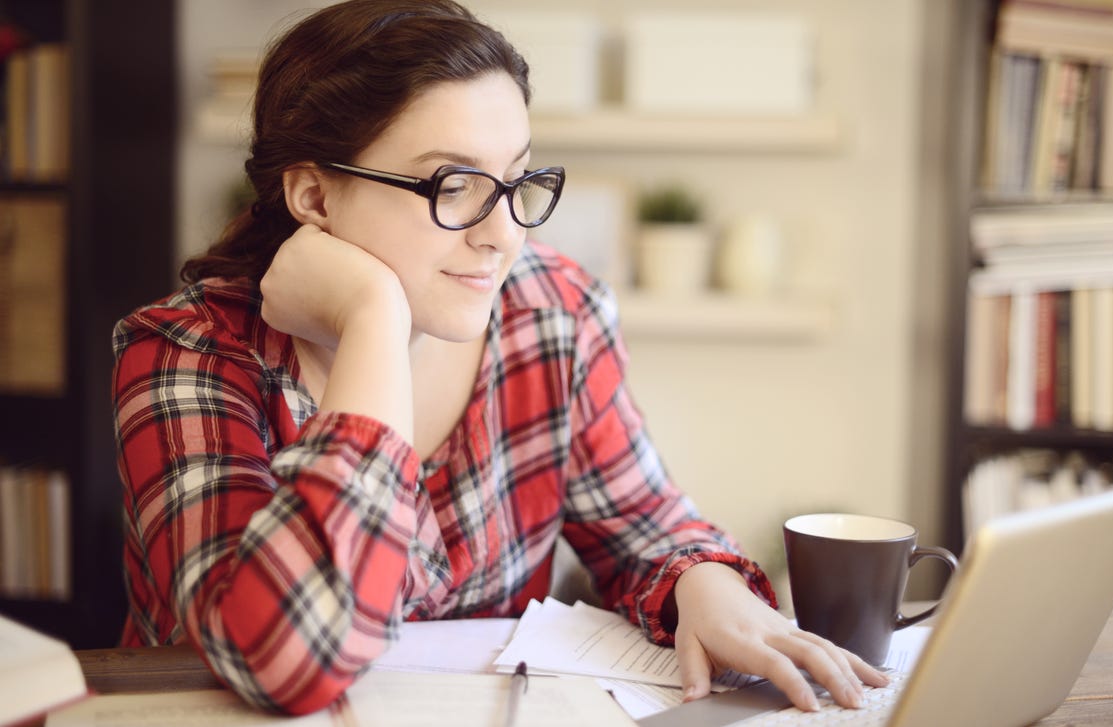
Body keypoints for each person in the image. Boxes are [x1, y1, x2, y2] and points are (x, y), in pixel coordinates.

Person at [111, 0, 886, 716]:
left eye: (515, 180)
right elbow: (282, 659)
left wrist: (705, 583)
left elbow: (644, 520)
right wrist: (373, 321)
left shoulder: (551, 312)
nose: (504, 234)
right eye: (453, 185)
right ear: (313, 197)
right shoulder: (187, 352)